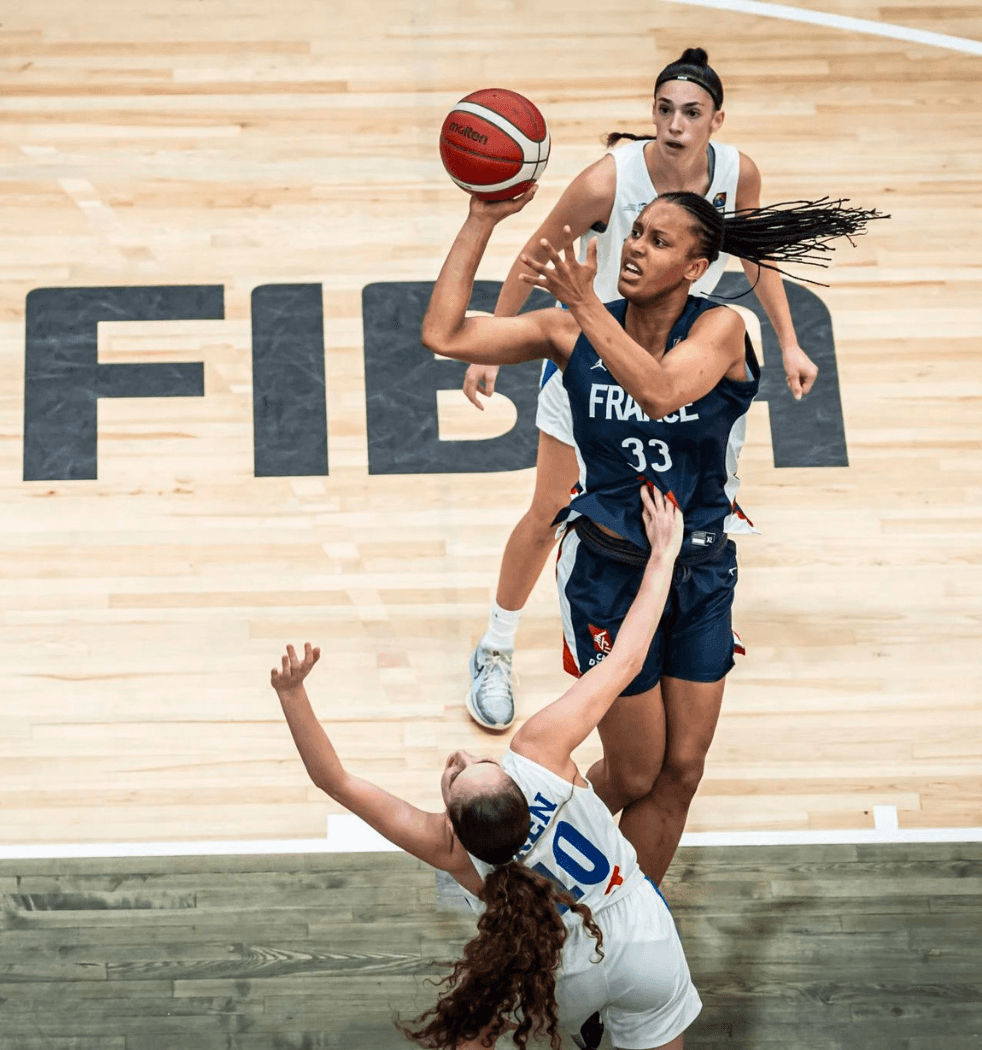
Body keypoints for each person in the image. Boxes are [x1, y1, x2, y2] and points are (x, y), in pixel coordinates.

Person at [421, 181, 881, 886]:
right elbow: (444, 334)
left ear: (695, 268)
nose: (635, 246)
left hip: (697, 569)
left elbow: (660, 389)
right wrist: (480, 218)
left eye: (658, 240)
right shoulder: (569, 330)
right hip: (607, 573)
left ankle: (633, 913)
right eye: (635, 232)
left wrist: (579, 305)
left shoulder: (721, 329)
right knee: (635, 771)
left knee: (682, 770)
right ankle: (520, 863)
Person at [458, 47, 817, 732]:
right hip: (595, 361)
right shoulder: (608, 180)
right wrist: (496, 344)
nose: (675, 125)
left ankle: (671, 640)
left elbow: (754, 255)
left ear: (716, 119)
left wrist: (790, 339)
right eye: (663, 110)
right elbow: (534, 254)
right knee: (550, 510)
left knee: (686, 515)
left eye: (690, 113)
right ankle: (496, 648)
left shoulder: (737, 172)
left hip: (684, 373)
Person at [271, 485, 699, 1050]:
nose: (460, 755)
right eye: (474, 762)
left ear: (453, 823)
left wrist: (292, 694)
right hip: (641, 944)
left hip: (560, 972)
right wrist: (664, 555)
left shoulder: (449, 849)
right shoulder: (540, 751)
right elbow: (626, 658)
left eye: (462, 767)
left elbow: (335, 780)